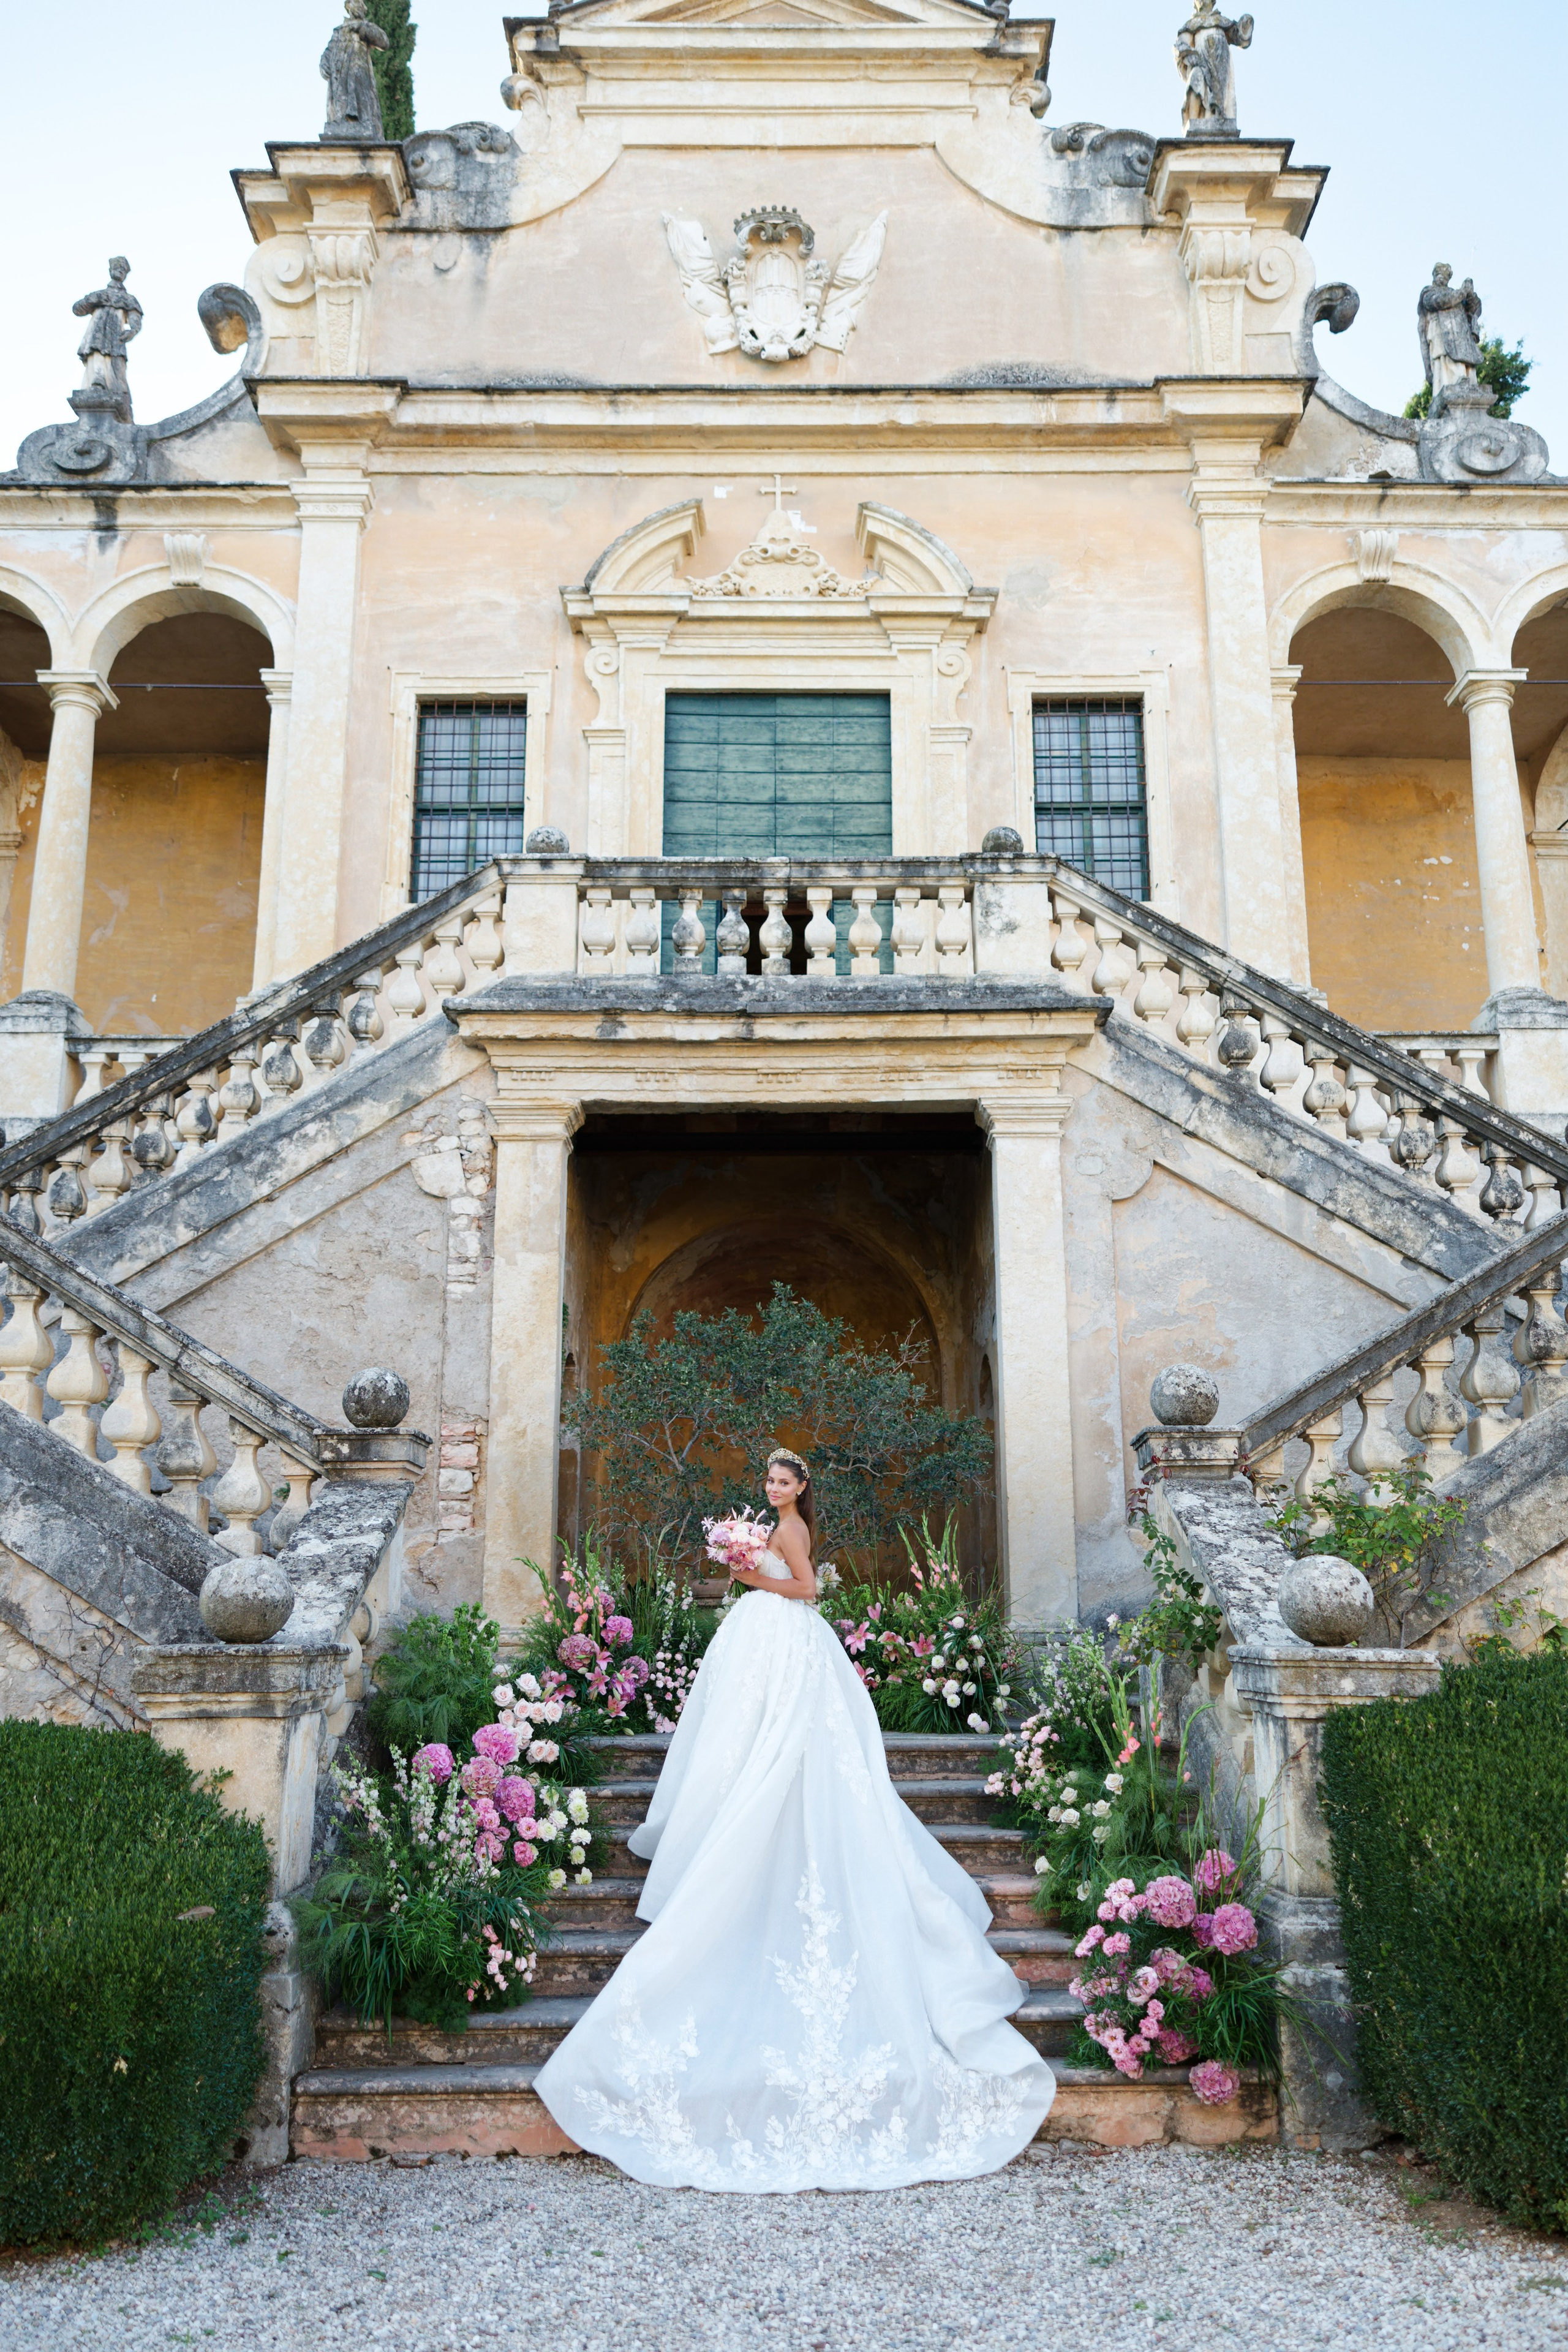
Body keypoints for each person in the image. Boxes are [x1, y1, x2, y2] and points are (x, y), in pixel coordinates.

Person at [533, 1447, 1054, 2192]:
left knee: (788, 1745)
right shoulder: (772, 1524)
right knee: (741, 1735)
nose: (775, 1489)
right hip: (763, 1642)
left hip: (786, 1635)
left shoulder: (794, 1532)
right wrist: (745, 1562)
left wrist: (746, 1573)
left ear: (802, 1488)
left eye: (785, 1482)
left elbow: (805, 1591)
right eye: (770, 1481)